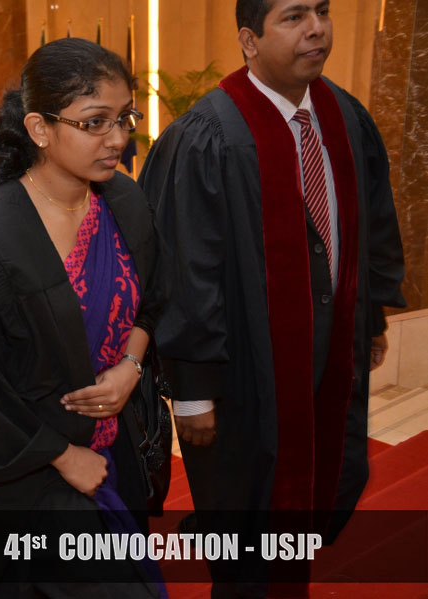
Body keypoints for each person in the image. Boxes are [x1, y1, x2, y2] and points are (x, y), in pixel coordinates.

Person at [138, 1, 406, 595]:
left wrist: (371, 318)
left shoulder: (344, 116)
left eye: (322, 11)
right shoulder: (208, 136)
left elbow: (373, 226)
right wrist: (191, 390)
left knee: (309, 499)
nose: (316, 28)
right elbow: (184, 271)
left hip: (328, 352)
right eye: (293, 16)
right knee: (246, 527)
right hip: (243, 374)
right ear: (249, 40)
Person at [0, 38, 163, 598]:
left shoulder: (124, 203)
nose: (118, 139)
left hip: (116, 455)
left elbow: (154, 299)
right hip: (27, 486)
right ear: (39, 128)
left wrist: (130, 366)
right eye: (95, 122)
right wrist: (62, 456)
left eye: (124, 118)